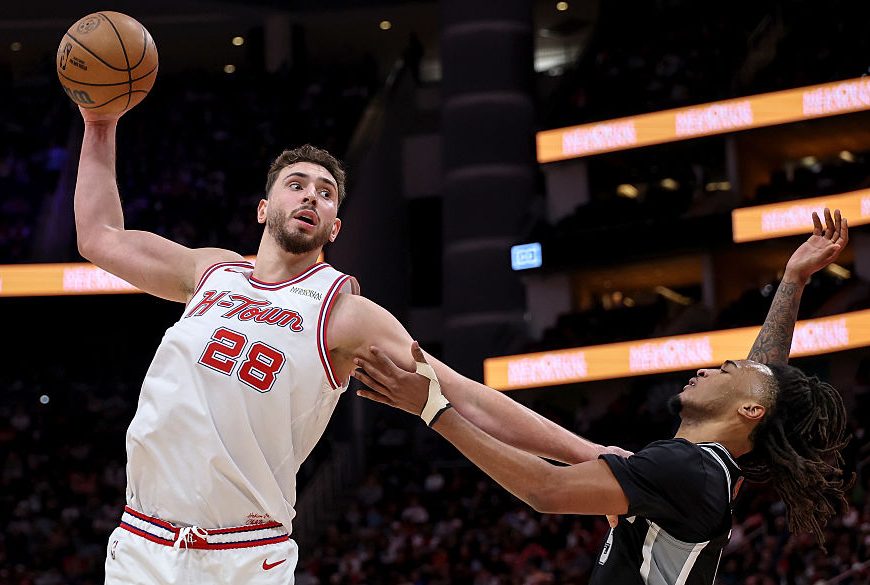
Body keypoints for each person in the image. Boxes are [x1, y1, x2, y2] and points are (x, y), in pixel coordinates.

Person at [74, 106, 624, 584]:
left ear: (334, 227)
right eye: (296, 184)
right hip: (141, 544)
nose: (311, 194)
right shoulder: (208, 272)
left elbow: (469, 397)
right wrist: (100, 123)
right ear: (263, 208)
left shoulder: (344, 311)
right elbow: (99, 236)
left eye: (326, 192)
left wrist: (593, 455)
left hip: (240, 559)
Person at [352, 210, 852, 585]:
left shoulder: (687, 471)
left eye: (725, 369)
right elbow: (765, 380)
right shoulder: (698, 470)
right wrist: (792, 281)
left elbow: (545, 491)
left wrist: (434, 410)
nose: (707, 368)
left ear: (748, 412)